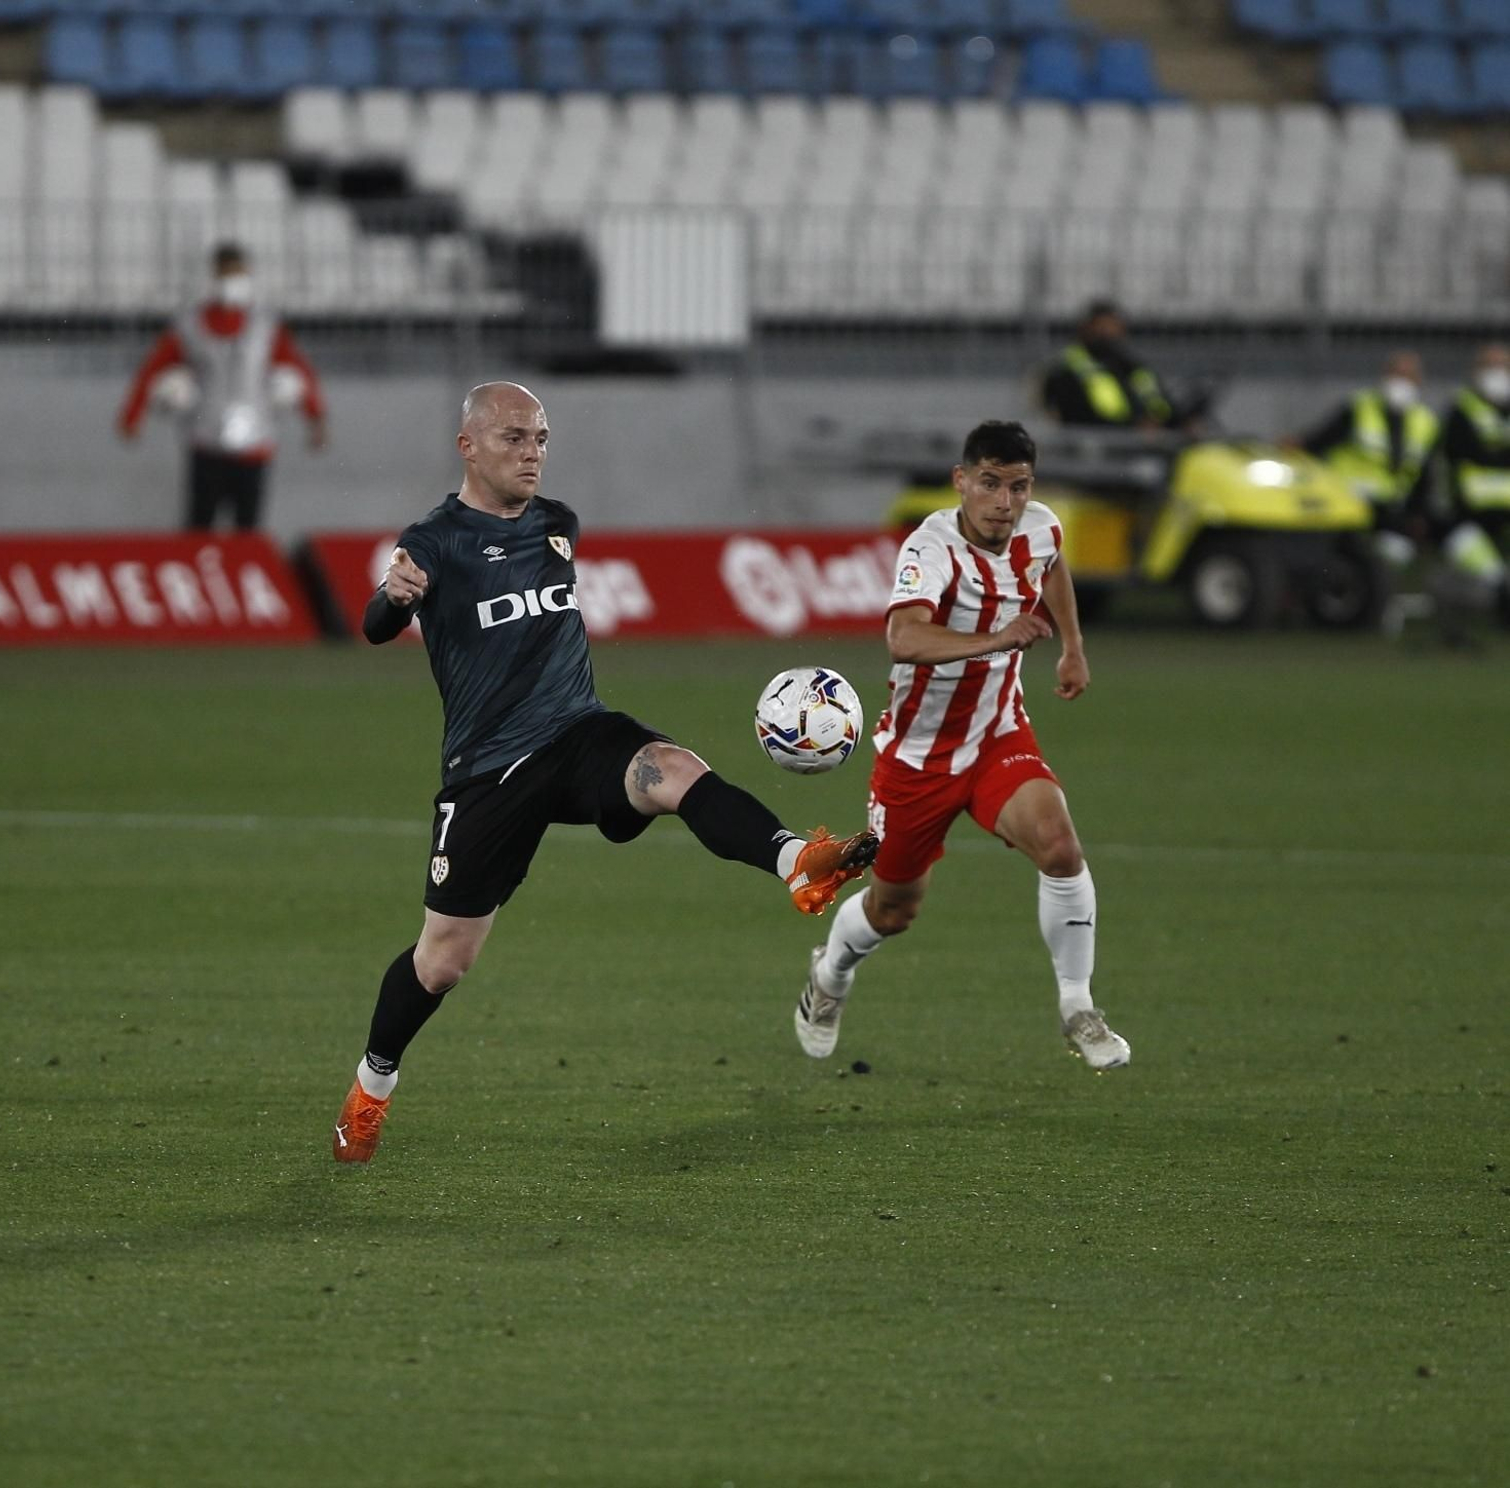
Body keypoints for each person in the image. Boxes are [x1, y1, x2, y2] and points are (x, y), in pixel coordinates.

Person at [332, 381, 880, 1164]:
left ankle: (798, 860)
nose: (533, 452)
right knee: (443, 960)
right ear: (469, 447)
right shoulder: (435, 540)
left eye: (542, 438)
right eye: (515, 437)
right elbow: (377, 622)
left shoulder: (559, 525)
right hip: (489, 771)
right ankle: (371, 1086)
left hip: (580, 731)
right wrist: (393, 597)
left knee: (670, 766)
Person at [793, 420, 1129, 1072]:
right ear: (962, 483)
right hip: (918, 757)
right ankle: (829, 977)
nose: (1005, 501)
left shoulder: (1041, 527)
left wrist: (1072, 649)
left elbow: (1051, 566)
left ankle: (1078, 1006)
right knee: (894, 910)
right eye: (991, 484)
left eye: (1019, 486)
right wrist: (996, 639)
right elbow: (905, 639)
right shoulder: (932, 548)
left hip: (998, 733)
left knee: (1060, 847)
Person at [117, 242, 327, 532]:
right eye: (226, 273)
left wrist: (316, 417)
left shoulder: (264, 327)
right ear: (214, 277)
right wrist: (133, 414)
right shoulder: (190, 327)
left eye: (238, 273)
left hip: (255, 444)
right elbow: (153, 369)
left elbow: (297, 370)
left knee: (248, 531)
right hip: (206, 443)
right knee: (199, 527)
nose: (232, 282)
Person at [1294, 350, 1438, 569]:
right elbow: (1317, 442)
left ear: (1419, 381)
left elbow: (1424, 475)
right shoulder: (1359, 408)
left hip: (1388, 512)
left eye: (1407, 376)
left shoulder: (1425, 422)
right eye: (1395, 374)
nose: (1400, 382)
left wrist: (1418, 514)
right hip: (1346, 506)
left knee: (1395, 554)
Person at [1433, 342, 1510, 620]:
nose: (1498, 373)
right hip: (1469, 514)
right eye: (1490, 366)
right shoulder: (1461, 410)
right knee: (1489, 575)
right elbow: (1462, 452)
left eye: (1503, 366)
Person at [1041, 298, 1182, 431]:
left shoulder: (1131, 366)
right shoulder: (1067, 368)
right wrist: (1134, 427)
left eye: (1113, 326)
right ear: (1086, 329)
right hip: (1098, 449)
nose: (1108, 332)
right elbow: (1076, 416)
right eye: (1101, 327)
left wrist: (1178, 421)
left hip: (1147, 443)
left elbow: (1160, 402)